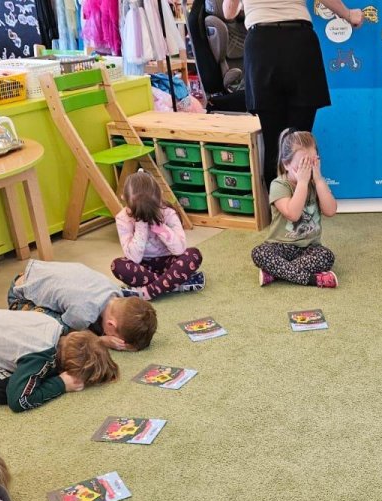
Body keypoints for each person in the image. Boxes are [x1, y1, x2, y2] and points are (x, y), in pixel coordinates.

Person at [223, 0, 363, 185]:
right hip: (299, 42)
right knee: (301, 141)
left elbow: (229, 12)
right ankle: (301, 201)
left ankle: (279, 202)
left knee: (273, 144)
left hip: (262, 45)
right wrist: (349, 14)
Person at [8, 258, 159, 350]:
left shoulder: (115, 290)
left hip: (38, 272)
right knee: (53, 330)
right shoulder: (83, 313)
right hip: (21, 295)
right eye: (112, 334)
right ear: (111, 325)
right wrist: (100, 341)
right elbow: (71, 337)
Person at [252, 130, 339, 288]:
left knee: (326, 256)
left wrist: (319, 180)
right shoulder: (279, 185)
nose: (307, 170)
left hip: (309, 247)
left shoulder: (316, 183)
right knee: (259, 253)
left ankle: (275, 273)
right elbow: (293, 214)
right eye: (302, 165)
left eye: (311, 163)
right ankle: (312, 279)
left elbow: (330, 211)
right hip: (280, 246)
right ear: (286, 164)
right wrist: (302, 183)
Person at [111, 171, 205, 297]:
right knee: (118, 266)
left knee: (193, 254)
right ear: (124, 199)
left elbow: (179, 250)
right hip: (144, 266)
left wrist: (160, 227)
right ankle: (174, 284)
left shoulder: (168, 212)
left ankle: (149, 291)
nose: (144, 213)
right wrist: (141, 226)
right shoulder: (123, 218)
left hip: (170, 263)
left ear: (160, 197)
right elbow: (134, 258)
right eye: (136, 210)